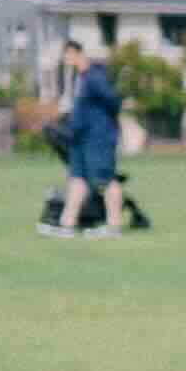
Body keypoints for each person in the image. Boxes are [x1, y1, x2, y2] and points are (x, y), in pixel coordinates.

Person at [43, 54, 130, 238]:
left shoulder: (95, 77)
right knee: (77, 180)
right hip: (79, 139)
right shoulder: (79, 79)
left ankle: (114, 226)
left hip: (97, 139)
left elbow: (113, 101)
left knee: (105, 180)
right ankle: (67, 225)